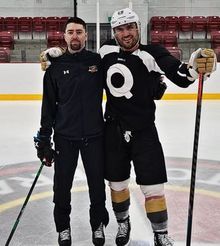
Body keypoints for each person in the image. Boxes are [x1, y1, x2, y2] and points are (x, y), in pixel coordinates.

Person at [39, 8, 216, 246]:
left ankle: (160, 234)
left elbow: (179, 74)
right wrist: (57, 54)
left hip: (143, 130)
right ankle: (123, 222)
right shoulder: (105, 51)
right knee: (117, 184)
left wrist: (195, 69)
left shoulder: (153, 53)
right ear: (114, 32)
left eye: (130, 27)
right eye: (121, 29)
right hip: (112, 130)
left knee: (152, 185)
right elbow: (77, 58)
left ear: (138, 27)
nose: (126, 33)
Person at [34, 17, 109, 246]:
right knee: (62, 187)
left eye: (79, 32)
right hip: (65, 138)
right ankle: (63, 227)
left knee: (97, 185)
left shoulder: (97, 61)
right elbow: (48, 106)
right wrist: (44, 139)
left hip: (95, 136)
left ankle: (98, 225)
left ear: (86, 35)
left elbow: (120, 74)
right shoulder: (55, 67)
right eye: (70, 32)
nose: (75, 36)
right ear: (64, 36)